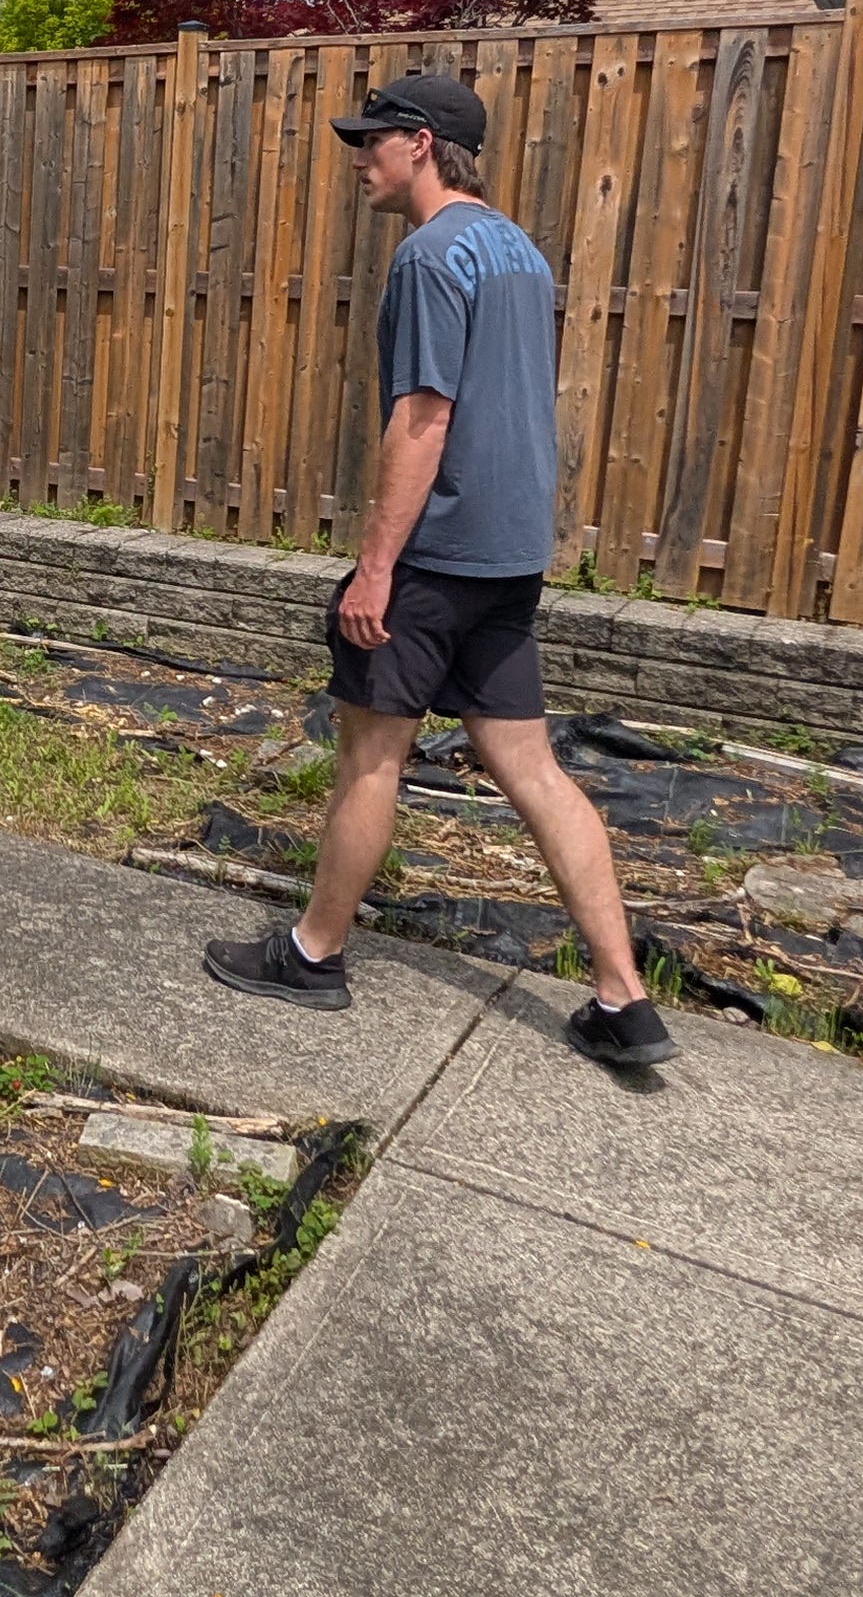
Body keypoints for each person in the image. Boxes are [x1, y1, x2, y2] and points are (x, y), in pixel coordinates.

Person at [203, 68, 672, 1065]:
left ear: (420, 143)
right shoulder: (519, 253)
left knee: (371, 756)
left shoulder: (429, 255)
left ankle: (314, 953)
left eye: (371, 141)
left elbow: (424, 418)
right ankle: (623, 997)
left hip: (437, 555)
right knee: (531, 767)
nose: (358, 161)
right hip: (509, 558)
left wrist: (375, 567)